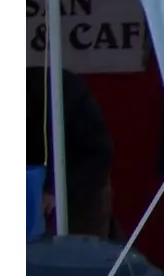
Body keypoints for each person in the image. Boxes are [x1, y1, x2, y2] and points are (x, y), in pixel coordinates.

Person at [26, 64, 115, 237]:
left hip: (80, 189)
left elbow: (98, 154)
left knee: (81, 255)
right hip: (31, 191)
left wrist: (55, 191)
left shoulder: (65, 91)